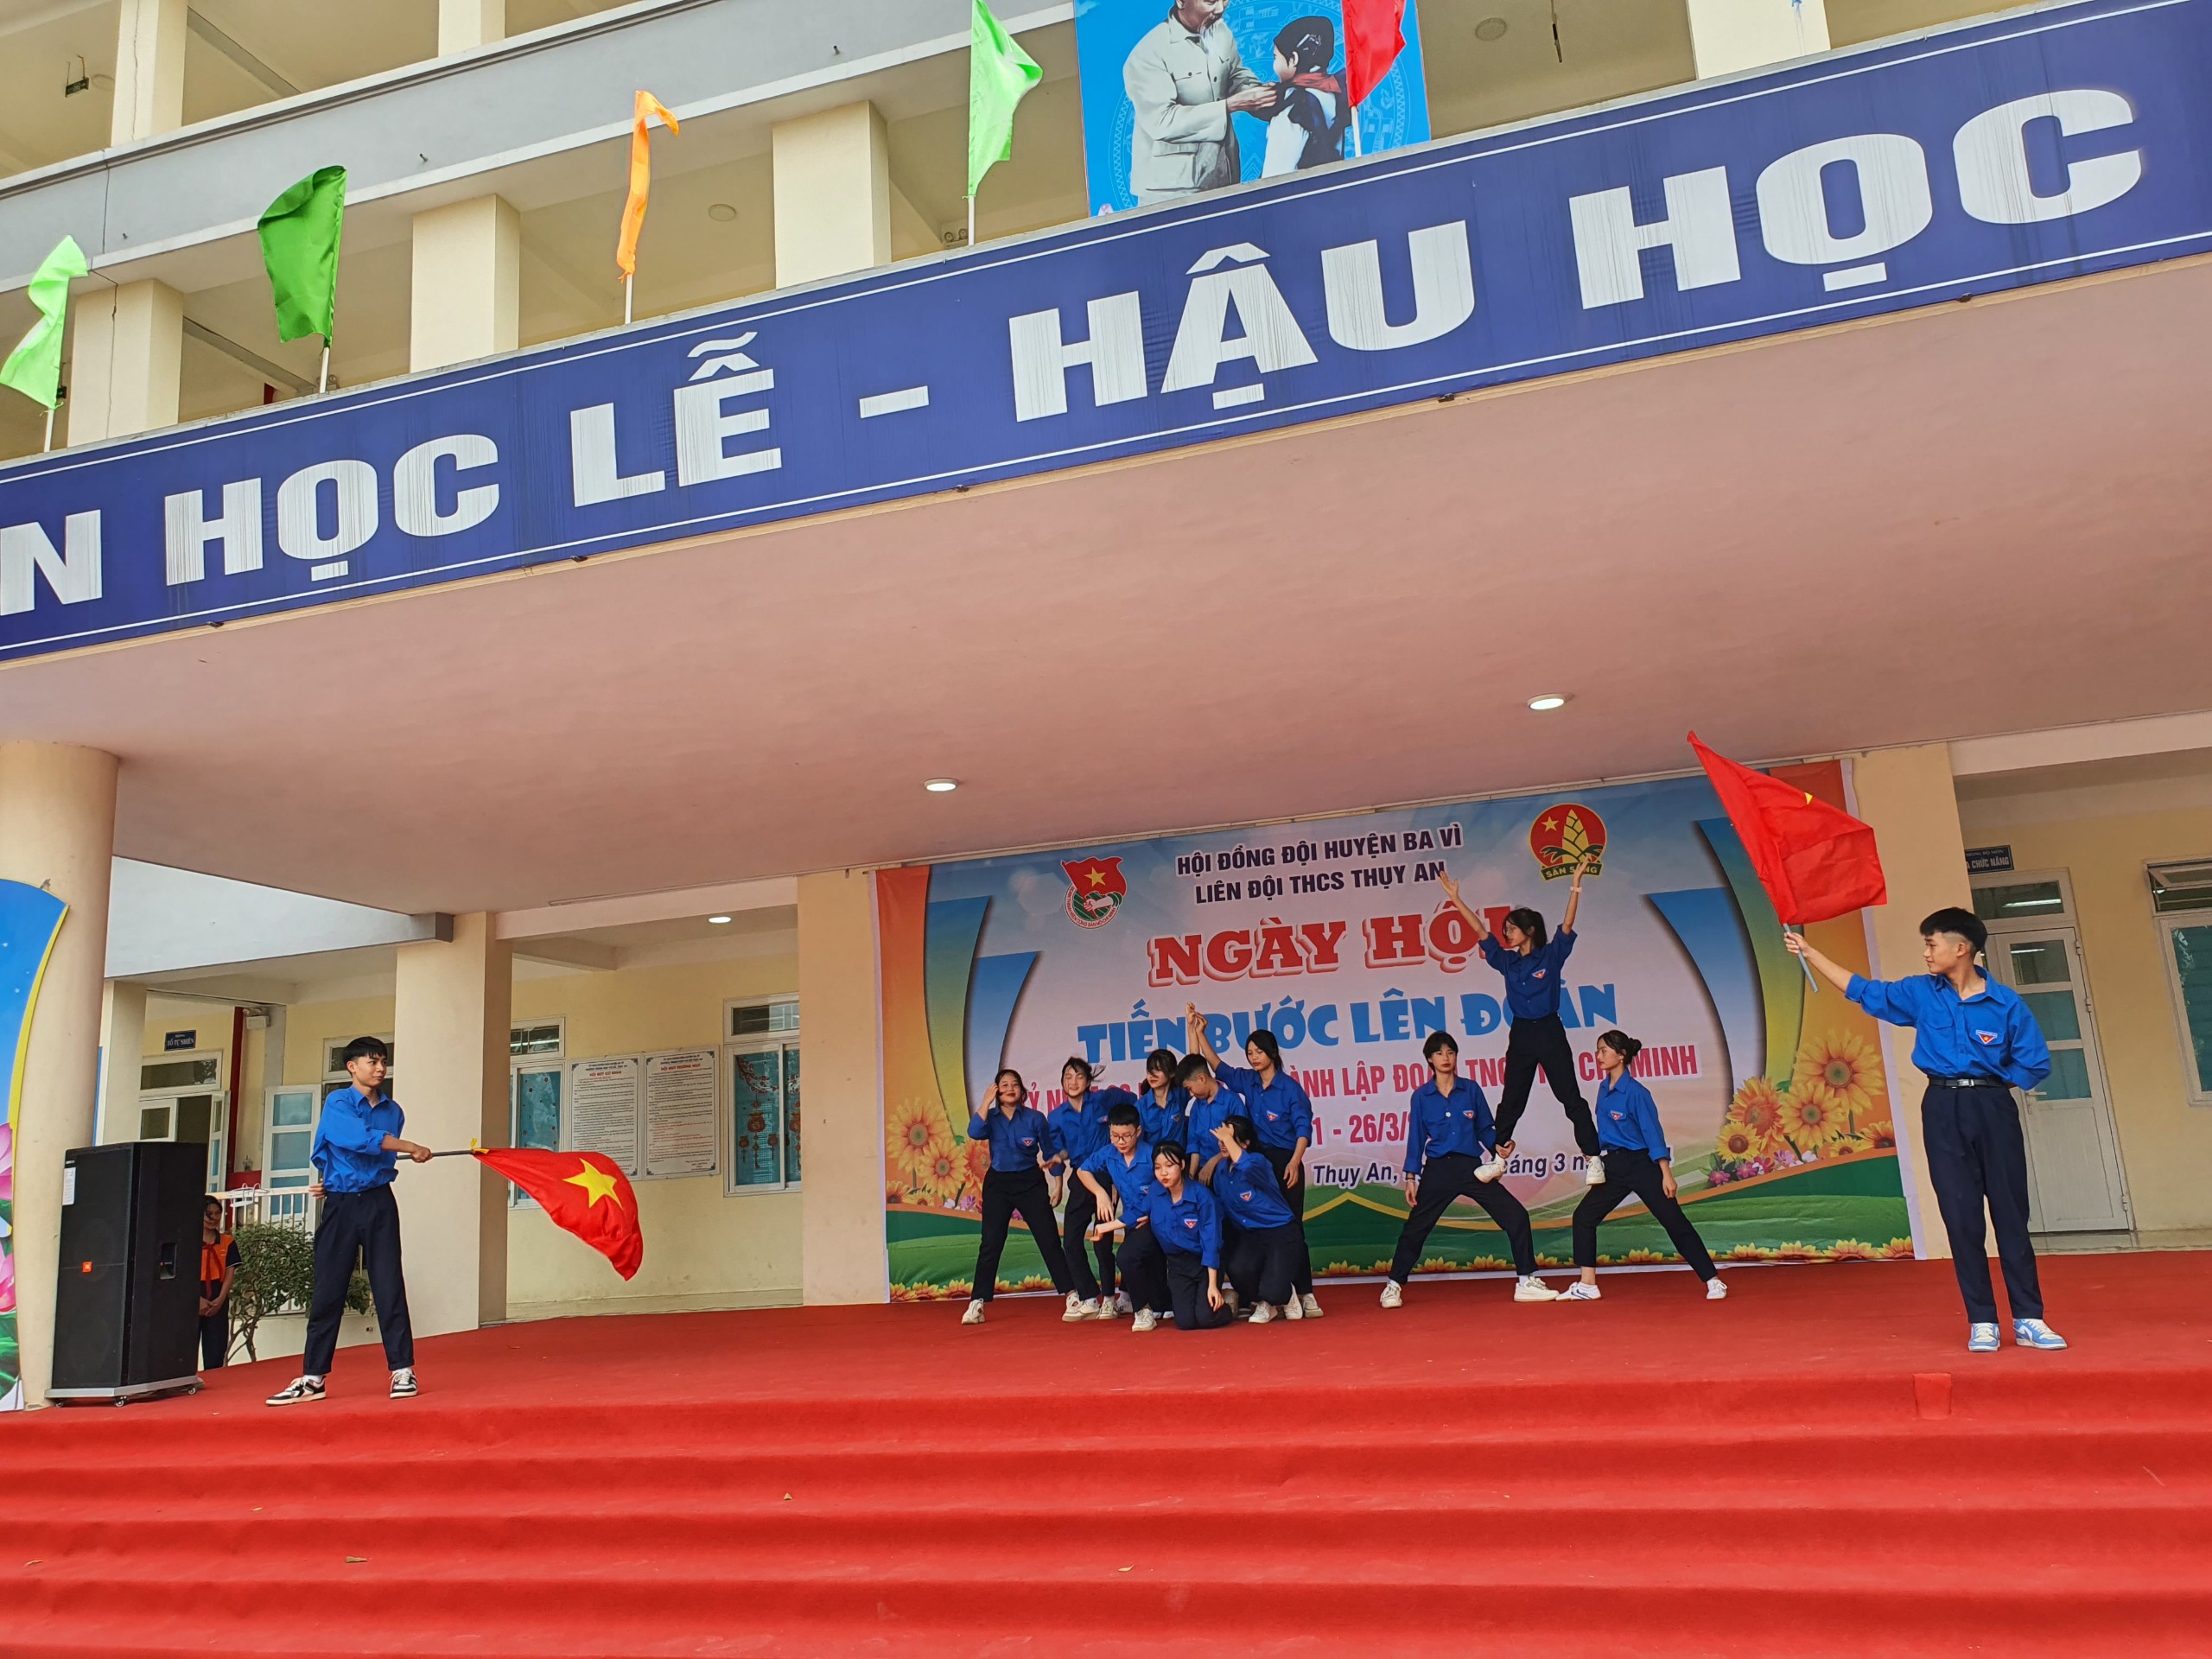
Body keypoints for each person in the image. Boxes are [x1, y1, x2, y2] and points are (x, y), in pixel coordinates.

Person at [1789, 912, 2063, 1353]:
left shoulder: (2007, 1004)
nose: (1926, 953)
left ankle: (2029, 1318)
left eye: (1932, 944)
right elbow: (1862, 990)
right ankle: (1983, 1321)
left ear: (1961, 948)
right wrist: (1811, 952)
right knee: (1961, 1216)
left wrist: (1991, 1083)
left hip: (1993, 1107)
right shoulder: (1920, 993)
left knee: (2011, 1213)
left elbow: (2035, 1062)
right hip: (1942, 1107)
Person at [266, 1037, 431, 1406]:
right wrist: (410, 1147)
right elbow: (354, 1140)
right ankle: (313, 1377)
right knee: (328, 1289)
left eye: (383, 1061)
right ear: (352, 1067)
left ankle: (402, 1369)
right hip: (341, 1205)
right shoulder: (338, 1102)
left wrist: (341, 1173)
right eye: (372, 1061)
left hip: (378, 1201)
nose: (380, 1068)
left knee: (389, 1285)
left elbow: (371, 1154)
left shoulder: (393, 1110)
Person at [1439, 859, 1605, 1186]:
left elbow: (1567, 925)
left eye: (1512, 928)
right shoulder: (1507, 961)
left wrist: (1575, 884)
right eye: (1506, 929)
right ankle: (1499, 1158)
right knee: (1512, 1098)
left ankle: (1594, 1157)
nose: (1506, 933)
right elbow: (1481, 932)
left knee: (1570, 1097)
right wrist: (1456, 899)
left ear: (1529, 931)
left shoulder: (1551, 956)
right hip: (1522, 1034)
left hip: (1549, 1030)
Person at [1381, 1032, 1559, 1307]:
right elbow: (1415, 1138)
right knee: (1416, 1228)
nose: (1445, 1058)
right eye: (1439, 1053)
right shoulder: (1422, 1097)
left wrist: (1499, 1146)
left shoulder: (1471, 1090)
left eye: (1450, 1052)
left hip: (1470, 1168)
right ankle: (1393, 1285)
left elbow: (1485, 1128)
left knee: (1516, 1216)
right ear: (1429, 1060)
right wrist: (1411, 1177)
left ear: (1456, 1057)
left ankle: (1526, 1281)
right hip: (1438, 1170)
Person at [1560, 1030, 1726, 1303]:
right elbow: (1608, 1131)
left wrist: (1666, 1174)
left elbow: (1653, 1134)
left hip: (1642, 1165)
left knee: (1674, 1222)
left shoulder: (1637, 1093)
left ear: (1621, 1055)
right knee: (1584, 1217)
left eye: (1604, 1050)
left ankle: (1713, 1280)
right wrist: (1592, 1151)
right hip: (1613, 1166)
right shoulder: (1603, 1089)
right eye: (1597, 1050)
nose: (1598, 1056)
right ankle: (1587, 1284)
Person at [1187, 1006, 1322, 1316]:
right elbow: (1219, 1068)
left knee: (1291, 1228)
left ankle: (1305, 1292)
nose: (1253, 1057)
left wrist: (1295, 1162)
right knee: (1256, 1227)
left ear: (1272, 1053)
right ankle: (1273, 1291)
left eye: (1259, 1052)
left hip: (1285, 1159)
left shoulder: (1290, 1089)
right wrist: (1201, 1034)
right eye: (1249, 1053)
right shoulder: (1248, 1081)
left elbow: (1304, 1128)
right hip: (1255, 1159)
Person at [1123, 0, 1276, 207]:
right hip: (1170, 192)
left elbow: (1234, 75)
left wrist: (1258, 93)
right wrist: (1229, 105)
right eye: (1211, 1)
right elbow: (1163, 121)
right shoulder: (1148, 54)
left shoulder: (1220, 32)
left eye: (1225, 0)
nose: (1220, 9)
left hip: (1223, 177)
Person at [961, 1068, 1076, 1325]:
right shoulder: (990, 1118)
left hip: (1030, 1182)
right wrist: (986, 1101)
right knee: (991, 1243)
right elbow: (974, 1132)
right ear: (996, 1091)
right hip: (998, 1184)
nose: (1010, 1089)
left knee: (1049, 1239)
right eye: (1003, 1085)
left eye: (1014, 1084)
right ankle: (977, 1303)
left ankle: (1071, 1294)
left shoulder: (1035, 1118)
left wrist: (1058, 1185)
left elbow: (1050, 1153)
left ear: (1022, 1091)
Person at [1098, 1142, 1233, 1332]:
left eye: (1169, 1166)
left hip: (1204, 1264)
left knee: (1205, 1317)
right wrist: (1105, 1227)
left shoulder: (1202, 1196)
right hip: (1178, 1266)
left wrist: (1213, 1285)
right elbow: (1136, 1212)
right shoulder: (1155, 1190)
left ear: (1182, 1165)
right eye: (1158, 1167)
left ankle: (1229, 1303)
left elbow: (1211, 1242)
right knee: (1185, 1322)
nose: (1163, 1173)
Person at [1047, 1056, 1139, 1322]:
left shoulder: (1104, 1099)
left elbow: (1134, 1104)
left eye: (1079, 1076)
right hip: (1081, 1175)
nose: (1073, 1082)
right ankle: (1089, 1297)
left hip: (1107, 1175)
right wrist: (1058, 1170)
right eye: (1068, 1077)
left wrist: (1126, 1153)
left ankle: (1111, 1298)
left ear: (1088, 1081)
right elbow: (1060, 1152)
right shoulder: (1057, 1116)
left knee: (1103, 1240)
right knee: (1071, 1240)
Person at [1203, 1116, 1303, 1323]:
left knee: (1275, 1290)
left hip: (1279, 1231)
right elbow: (1220, 1207)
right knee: (1238, 1270)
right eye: (1221, 1139)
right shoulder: (1221, 1171)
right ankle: (1264, 1303)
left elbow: (1245, 1165)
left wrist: (1227, 1139)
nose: (1223, 1144)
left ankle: (1284, 1295)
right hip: (1250, 1234)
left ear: (1245, 1144)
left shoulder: (1258, 1162)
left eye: (1229, 1139)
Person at [1077, 1103, 1156, 1319]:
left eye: (1126, 1136)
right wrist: (1100, 1193)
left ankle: (1145, 1307)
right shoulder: (1109, 1153)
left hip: (1155, 1220)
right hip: (1131, 1220)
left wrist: (1152, 1215)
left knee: (1131, 1257)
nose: (1120, 1142)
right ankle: (1137, 1304)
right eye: (1115, 1136)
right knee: (1128, 1255)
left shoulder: (1152, 1156)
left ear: (1138, 1132)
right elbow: (1083, 1171)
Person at [1260, 16, 1348, 179]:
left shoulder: (1292, 109)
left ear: (1293, 59)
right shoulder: (1334, 95)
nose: (1275, 65)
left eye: (1276, 57)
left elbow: (1275, 178)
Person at [197, 1197, 239, 1370]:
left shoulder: (227, 1241)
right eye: (209, 1214)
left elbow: (230, 1271)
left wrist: (221, 1299)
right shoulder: (188, 1240)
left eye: (217, 1213)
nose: (213, 1218)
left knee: (216, 1348)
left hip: (217, 1294)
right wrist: (196, 1299)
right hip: (194, 1293)